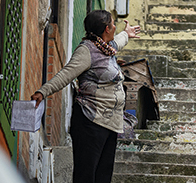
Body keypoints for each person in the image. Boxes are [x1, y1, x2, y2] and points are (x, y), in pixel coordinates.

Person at [31, 10, 141, 183]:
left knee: (103, 176)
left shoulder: (107, 47)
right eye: (113, 24)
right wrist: (43, 91)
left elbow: (117, 42)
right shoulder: (87, 50)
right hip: (90, 122)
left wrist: (126, 34)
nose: (114, 27)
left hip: (110, 123)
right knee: (86, 174)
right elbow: (66, 74)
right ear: (106, 28)